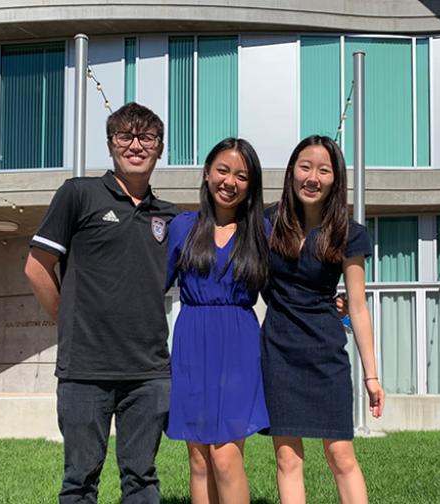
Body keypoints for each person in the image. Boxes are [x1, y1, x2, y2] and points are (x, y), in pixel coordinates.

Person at [24, 102, 177, 504]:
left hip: (149, 372)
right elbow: (37, 268)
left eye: (146, 137)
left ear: (160, 148)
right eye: (125, 136)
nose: (135, 145)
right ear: (110, 144)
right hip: (85, 370)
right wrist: (67, 321)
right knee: (79, 481)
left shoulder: (169, 217)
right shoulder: (79, 194)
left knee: (142, 480)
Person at [261, 135, 385, 504]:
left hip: (325, 351)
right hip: (278, 351)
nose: (312, 177)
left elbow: (358, 307)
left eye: (324, 170)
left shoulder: (349, 233)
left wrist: (372, 375)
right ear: (291, 172)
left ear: (335, 179)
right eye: (305, 167)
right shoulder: (266, 223)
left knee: (341, 455)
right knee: (287, 458)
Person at [165, 138, 270, 504]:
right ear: (207, 174)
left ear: (251, 185)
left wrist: (328, 306)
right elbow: (151, 288)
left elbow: (284, 292)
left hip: (239, 348)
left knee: (225, 457)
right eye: (222, 170)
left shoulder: (262, 232)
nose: (230, 181)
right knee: (198, 460)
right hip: (192, 344)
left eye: (241, 175)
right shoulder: (182, 227)